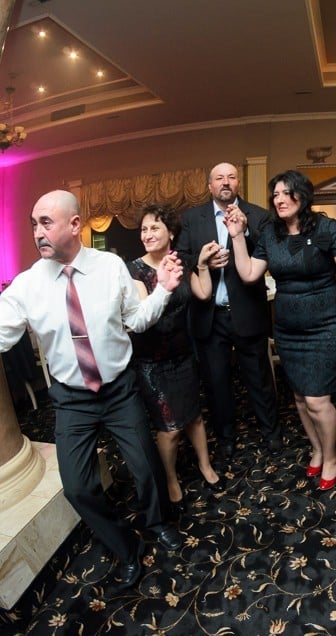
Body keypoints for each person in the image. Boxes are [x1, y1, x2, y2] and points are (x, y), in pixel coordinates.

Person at [0, 190, 184, 589]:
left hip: (119, 390)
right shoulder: (28, 285)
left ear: (75, 224)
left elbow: (136, 321)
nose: (37, 233)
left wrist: (164, 290)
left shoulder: (110, 267)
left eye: (46, 223)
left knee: (146, 468)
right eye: (33, 224)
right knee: (78, 488)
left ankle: (157, 523)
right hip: (72, 400)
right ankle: (126, 548)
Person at [227, 170, 336, 491]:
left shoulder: (324, 228)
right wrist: (237, 236)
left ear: (301, 196)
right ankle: (316, 449)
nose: (278, 199)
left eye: (285, 193)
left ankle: (331, 456)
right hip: (288, 330)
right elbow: (248, 273)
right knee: (301, 398)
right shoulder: (270, 234)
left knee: (317, 399)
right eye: (275, 194)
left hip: (325, 327)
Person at [175, 162, 280, 461]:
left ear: (238, 184)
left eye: (231, 177)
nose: (225, 182)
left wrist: (244, 232)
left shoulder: (258, 215)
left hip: (247, 311)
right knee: (216, 381)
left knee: (259, 378)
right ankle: (226, 437)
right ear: (209, 186)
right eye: (219, 178)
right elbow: (179, 256)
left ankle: (271, 433)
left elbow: (270, 252)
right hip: (210, 315)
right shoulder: (191, 219)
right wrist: (202, 262)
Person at [128, 204, 223, 514]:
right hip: (152, 362)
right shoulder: (134, 271)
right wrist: (164, 282)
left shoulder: (181, 260)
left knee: (194, 417)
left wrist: (202, 265)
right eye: (143, 229)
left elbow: (203, 293)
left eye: (154, 228)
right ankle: (170, 478)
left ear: (171, 233)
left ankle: (205, 465)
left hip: (183, 354)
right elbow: (145, 317)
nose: (147, 234)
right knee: (169, 428)